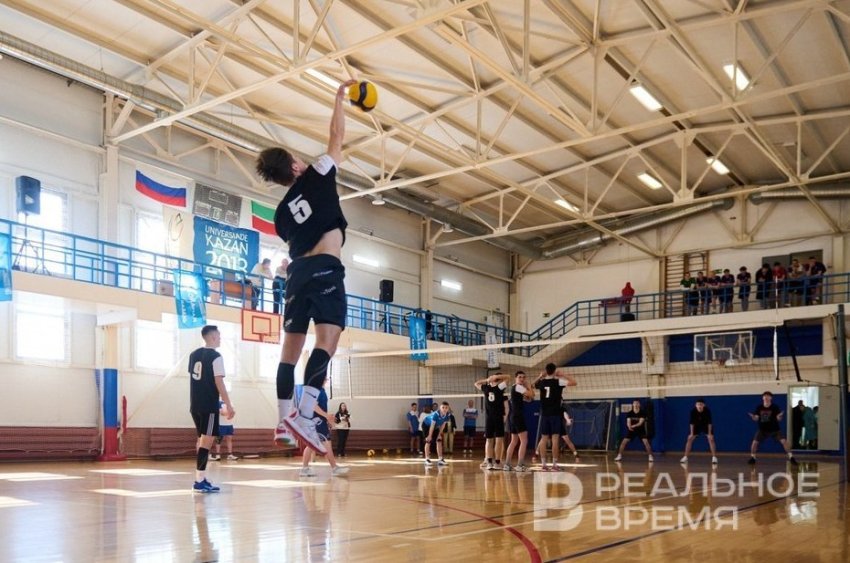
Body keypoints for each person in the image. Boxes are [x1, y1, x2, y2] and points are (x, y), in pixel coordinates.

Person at [258, 79, 357, 455]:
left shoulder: (280, 215)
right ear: (295, 165)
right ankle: (302, 414)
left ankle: (282, 420)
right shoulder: (317, 174)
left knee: (290, 350)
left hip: (296, 275)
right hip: (326, 269)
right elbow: (337, 136)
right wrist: (338, 100)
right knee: (327, 341)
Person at [188, 325, 235, 492]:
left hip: (195, 405)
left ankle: (201, 478)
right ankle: (199, 481)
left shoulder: (193, 355)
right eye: (219, 336)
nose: (220, 339)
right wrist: (228, 404)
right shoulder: (216, 356)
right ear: (213, 337)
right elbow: (218, 382)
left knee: (202, 441)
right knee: (206, 444)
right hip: (208, 405)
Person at [534, 363, 576, 471]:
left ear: (546, 371)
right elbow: (574, 382)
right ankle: (554, 465)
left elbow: (532, 385)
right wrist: (563, 375)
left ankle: (544, 465)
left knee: (543, 439)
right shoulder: (558, 381)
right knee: (555, 439)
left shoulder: (542, 382)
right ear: (555, 370)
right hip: (555, 414)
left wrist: (540, 376)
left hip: (544, 414)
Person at [300, 383, 349, 477]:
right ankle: (334, 468)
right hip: (317, 422)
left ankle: (305, 469)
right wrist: (326, 416)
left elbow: (320, 407)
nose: (326, 378)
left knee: (313, 445)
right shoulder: (315, 388)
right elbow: (313, 405)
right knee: (323, 444)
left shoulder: (321, 390)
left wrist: (326, 419)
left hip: (320, 421)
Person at [747, 391, 797, 465]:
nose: (766, 398)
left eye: (768, 396)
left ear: (771, 398)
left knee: (784, 441)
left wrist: (779, 417)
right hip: (762, 430)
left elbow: (778, 419)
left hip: (774, 429)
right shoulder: (759, 407)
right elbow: (756, 418)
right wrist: (753, 417)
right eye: (765, 396)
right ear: (762, 398)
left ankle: (791, 457)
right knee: (754, 443)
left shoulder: (775, 407)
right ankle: (753, 458)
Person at [474, 374, 508, 470]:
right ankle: (493, 462)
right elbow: (508, 377)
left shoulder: (491, 388)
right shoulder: (496, 387)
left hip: (493, 418)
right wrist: (490, 378)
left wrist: (489, 379)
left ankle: (493, 462)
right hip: (494, 417)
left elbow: (476, 383)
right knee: (493, 440)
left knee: (495, 440)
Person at [503, 371, 533, 472]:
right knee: (524, 440)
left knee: (514, 441)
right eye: (520, 377)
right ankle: (520, 465)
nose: (522, 379)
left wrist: (528, 391)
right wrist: (529, 386)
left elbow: (529, 399)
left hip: (513, 417)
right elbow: (531, 394)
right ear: (515, 378)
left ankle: (507, 464)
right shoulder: (518, 387)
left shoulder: (515, 388)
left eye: (523, 377)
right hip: (518, 416)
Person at [679, 398, 717, 465]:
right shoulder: (693, 412)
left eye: (701, 404)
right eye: (698, 404)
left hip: (705, 425)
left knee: (711, 439)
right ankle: (685, 457)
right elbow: (691, 423)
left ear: (704, 405)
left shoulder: (707, 411)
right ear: (695, 405)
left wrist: (709, 434)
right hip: (697, 425)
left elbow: (709, 423)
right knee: (689, 439)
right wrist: (691, 433)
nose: (699, 406)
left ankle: (714, 457)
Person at [423, 402, 451, 466]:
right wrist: (430, 435)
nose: (444, 409)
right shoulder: (436, 414)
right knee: (428, 440)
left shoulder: (448, 415)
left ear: (448, 408)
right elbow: (432, 425)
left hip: (436, 426)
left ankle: (440, 459)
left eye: (446, 408)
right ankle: (427, 459)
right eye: (443, 407)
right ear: (440, 408)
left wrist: (439, 434)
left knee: (439, 440)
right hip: (426, 425)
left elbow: (443, 425)